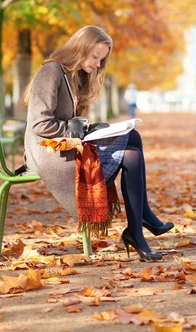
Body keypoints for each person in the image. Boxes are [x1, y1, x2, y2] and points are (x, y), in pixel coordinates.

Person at [22, 26, 173, 262]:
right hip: (49, 155)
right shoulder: (50, 72)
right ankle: (137, 227)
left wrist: (89, 129)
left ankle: (140, 220)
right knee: (130, 154)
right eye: (95, 57)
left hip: (66, 147)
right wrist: (77, 132)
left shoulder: (72, 76)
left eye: (101, 59)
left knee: (133, 137)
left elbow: (69, 123)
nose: (97, 64)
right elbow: (40, 124)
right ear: (79, 48)